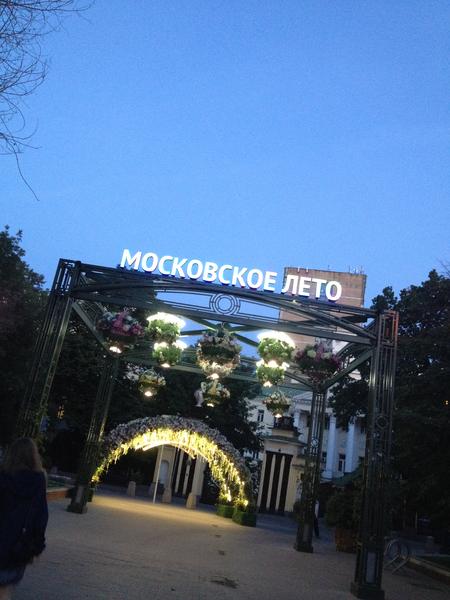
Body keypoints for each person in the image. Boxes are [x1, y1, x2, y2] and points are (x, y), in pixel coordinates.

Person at [0, 438, 48, 600]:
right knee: (5, 589)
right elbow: (40, 516)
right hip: (18, 544)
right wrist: (38, 545)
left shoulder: (3, 476)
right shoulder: (38, 480)